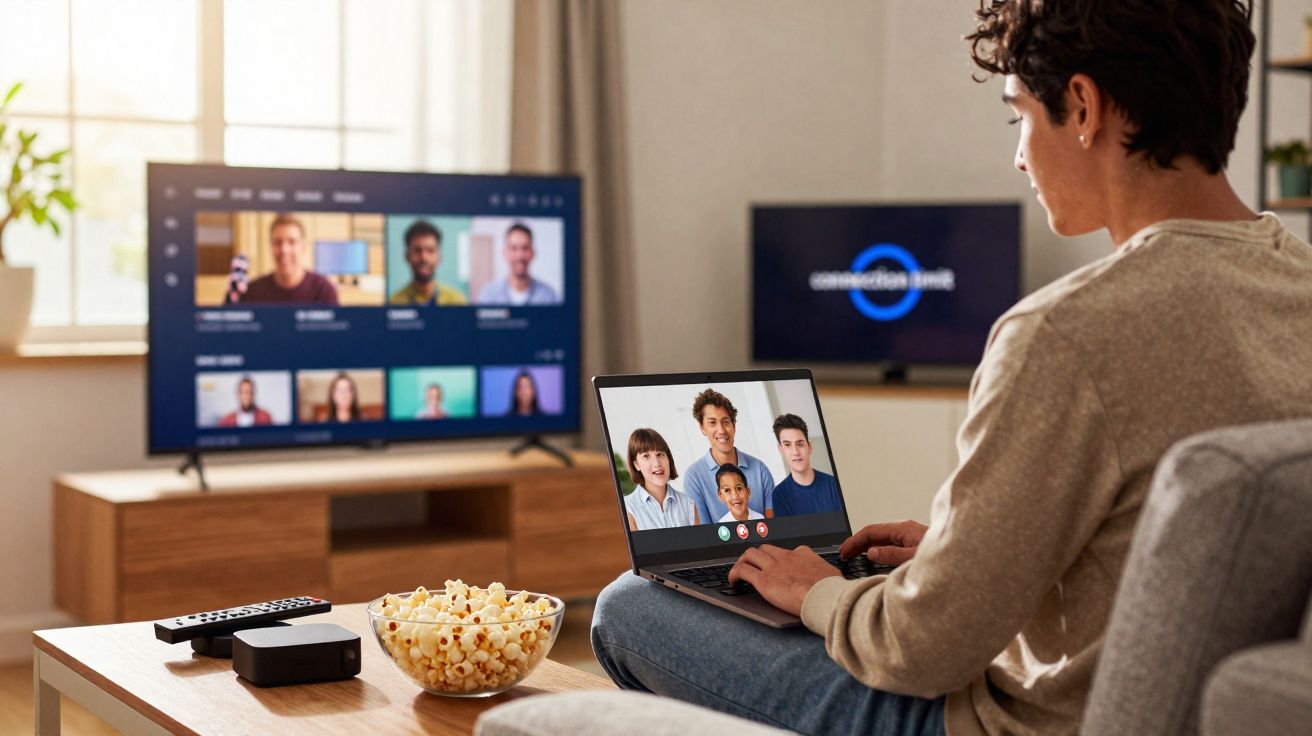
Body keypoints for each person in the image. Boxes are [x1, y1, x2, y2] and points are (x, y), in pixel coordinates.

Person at [590, 3, 1312, 735]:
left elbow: (919, 650)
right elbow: (1168, 561)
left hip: (1010, 723)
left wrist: (817, 591)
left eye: (1019, 117)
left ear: (1085, 107)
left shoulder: (1063, 334)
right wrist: (960, 558)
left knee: (628, 606)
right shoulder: (1300, 288)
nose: (1020, 156)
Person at [680, 388, 774, 524]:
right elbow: (703, 534)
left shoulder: (760, 469)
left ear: (734, 425)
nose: (722, 430)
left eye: (725, 422)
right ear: (702, 427)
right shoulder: (694, 477)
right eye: (712, 423)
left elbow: (773, 525)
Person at [238, 214, 339, 305]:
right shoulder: (252, 292)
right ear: (271, 247)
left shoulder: (323, 290)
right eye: (278, 242)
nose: (284, 250)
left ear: (303, 246)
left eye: (292, 242)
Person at [624, 428, 699, 531]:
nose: (657, 463)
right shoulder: (627, 509)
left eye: (659, 454)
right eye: (646, 456)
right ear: (636, 464)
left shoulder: (688, 504)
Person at [770, 414, 841, 517]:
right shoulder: (779, 495)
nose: (795, 452)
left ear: (809, 447)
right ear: (781, 450)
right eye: (787, 445)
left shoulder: (834, 485)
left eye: (800, 444)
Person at [475, 223, 559, 305]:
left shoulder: (548, 296)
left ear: (533, 252)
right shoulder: (489, 295)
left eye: (525, 248)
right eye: (514, 248)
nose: (519, 255)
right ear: (505, 252)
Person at [389, 220, 468, 306]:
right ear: (407, 256)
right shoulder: (395, 302)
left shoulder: (456, 301)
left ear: (439, 256)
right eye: (417, 250)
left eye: (430, 251)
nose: (424, 258)